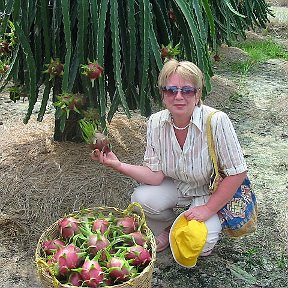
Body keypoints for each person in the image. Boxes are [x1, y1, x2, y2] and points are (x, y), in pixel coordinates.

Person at [91, 59, 247, 256]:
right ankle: (171, 226)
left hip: (208, 192)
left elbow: (237, 173)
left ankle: (194, 221)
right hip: (178, 186)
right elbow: (155, 175)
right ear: (163, 95)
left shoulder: (216, 121)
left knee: (201, 245)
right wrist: (118, 164)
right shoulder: (156, 122)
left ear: (198, 94)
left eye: (187, 90)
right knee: (142, 198)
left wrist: (207, 209)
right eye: (171, 90)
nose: (178, 96)